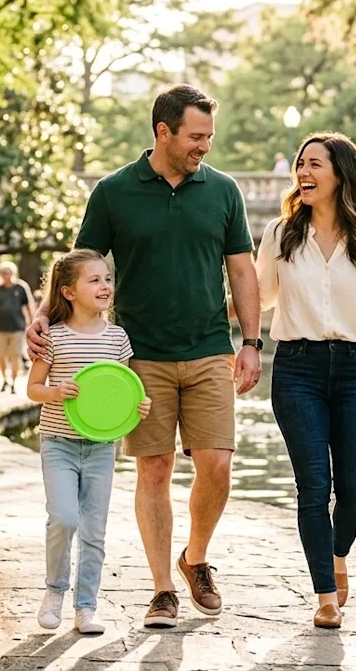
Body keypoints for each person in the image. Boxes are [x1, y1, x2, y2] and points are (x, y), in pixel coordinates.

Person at [27, 84, 261, 629]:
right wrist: (45, 316)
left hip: (208, 347)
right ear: (163, 131)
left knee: (218, 466)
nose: (205, 146)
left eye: (209, 136)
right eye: (195, 136)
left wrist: (251, 342)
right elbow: (78, 264)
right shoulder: (113, 191)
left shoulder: (224, 191)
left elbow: (242, 270)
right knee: (152, 469)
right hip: (138, 357)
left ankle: (195, 558)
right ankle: (161, 589)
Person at [257, 132, 356, 628]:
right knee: (312, 487)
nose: (303, 173)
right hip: (296, 368)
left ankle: (337, 553)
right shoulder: (280, 234)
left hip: (354, 370)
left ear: (342, 174)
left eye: (315, 165)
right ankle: (325, 594)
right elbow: (256, 298)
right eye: (301, 164)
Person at [28, 250, 152, 635]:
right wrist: (56, 392)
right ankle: (54, 592)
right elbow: (32, 389)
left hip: (101, 448)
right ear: (68, 292)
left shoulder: (117, 337)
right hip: (59, 443)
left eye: (107, 279)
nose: (105, 286)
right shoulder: (53, 338)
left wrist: (140, 405)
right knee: (63, 519)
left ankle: (86, 607)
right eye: (94, 280)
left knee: (95, 530)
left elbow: (125, 391)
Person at [0, 261, 32, 393]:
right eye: (3, 273)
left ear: (12, 273)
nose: (5, 275)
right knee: (0, 355)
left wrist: (30, 323)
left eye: (7, 272)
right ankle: (4, 379)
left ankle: (13, 381)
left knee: (15, 355)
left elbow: (28, 307)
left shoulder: (20, 287)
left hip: (17, 327)